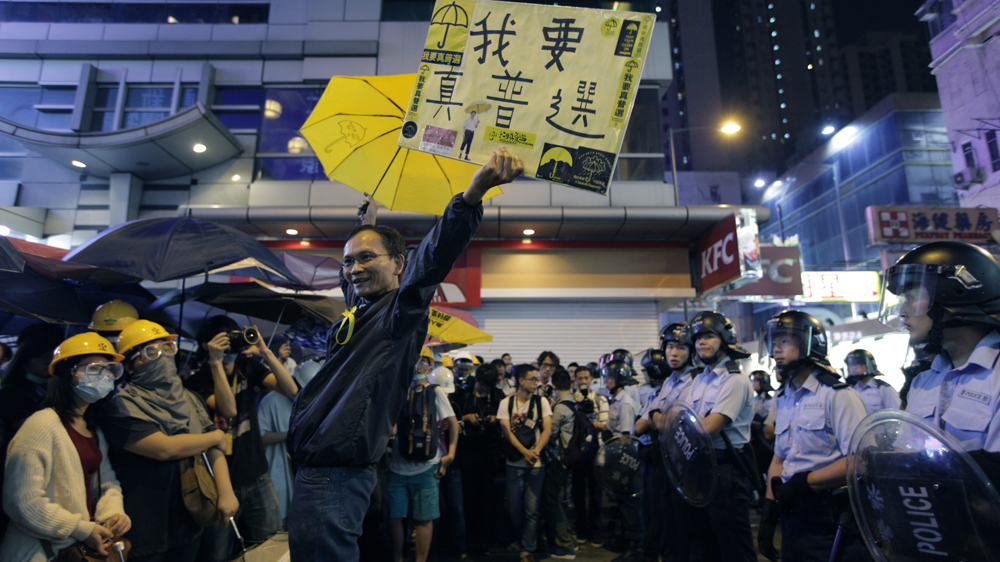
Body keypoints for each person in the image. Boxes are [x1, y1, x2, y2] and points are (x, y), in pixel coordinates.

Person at [287, 148, 523, 562]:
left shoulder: (400, 312)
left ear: (399, 264)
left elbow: (431, 260)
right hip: (319, 468)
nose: (353, 269)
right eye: (346, 262)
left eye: (365, 258)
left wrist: (473, 194)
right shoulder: (363, 310)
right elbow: (355, 285)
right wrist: (367, 223)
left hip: (334, 472)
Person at [98, 320, 238, 562]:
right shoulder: (121, 404)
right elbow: (164, 449)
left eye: (168, 349)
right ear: (130, 366)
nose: (162, 357)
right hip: (144, 524)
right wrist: (215, 435)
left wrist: (226, 493)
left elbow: (215, 451)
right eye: (151, 352)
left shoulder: (189, 398)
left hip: (188, 517)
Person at [1, 333, 130, 562]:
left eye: (110, 369)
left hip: (78, 548)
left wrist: (114, 514)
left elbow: (107, 482)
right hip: (40, 551)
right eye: (94, 369)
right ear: (68, 375)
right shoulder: (41, 426)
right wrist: (80, 528)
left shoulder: (93, 429)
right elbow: (21, 501)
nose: (105, 376)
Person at [879, 241, 1000, 481]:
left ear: (954, 293)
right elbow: (907, 459)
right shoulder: (924, 380)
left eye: (911, 297)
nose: (903, 311)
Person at [758, 310, 868, 562]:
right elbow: (779, 459)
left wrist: (806, 482)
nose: (776, 348)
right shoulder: (785, 397)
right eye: (774, 341)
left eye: (785, 340)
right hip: (792, 516)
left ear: (810, 343)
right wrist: (768, 512)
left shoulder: (837, 394)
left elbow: (860, 460)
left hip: (829, 520)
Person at [190, 316, 297, 561]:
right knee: (218, 554)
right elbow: (228, 410)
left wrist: (265, 352)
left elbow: (290, 390)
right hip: (220, 484)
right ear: (207, 345)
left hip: (257, 474)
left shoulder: (246, 367)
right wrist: (216, 363)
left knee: (270, 545)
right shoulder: (197, 382)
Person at [683, 310, 757, 562]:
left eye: (709, 336)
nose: (701, 342)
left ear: (725, 339)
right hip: (701, 466)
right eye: (697, 338)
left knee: (733, 546)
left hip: (727, 467)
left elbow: (710, 426)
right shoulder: (700, 379)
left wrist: (680, 427)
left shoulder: (734, 380)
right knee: (706, 544)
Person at [388, 351, 458, 562]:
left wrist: (451, 454)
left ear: (429, 367)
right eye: (414, 360)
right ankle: (397, 558)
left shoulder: (436, 392)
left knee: (423, 519)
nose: (417, 365)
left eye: (423, 361)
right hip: (398, 467)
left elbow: (453, 423)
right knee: (395, 518)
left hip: (427, 466)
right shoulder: (397, 391)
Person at [637, 323, 697, 562]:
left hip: (684, 466)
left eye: (681, 347)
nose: (673, 353)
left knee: (682, 531)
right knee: (662, 523)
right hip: (663, 463)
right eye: (670, 347)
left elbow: (664, 423)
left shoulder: (696, 381)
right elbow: (642, 423)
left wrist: (654, 415)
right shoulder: (669, 382)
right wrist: (656, 416)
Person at [498, 364, 553, 562]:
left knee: (532, 509)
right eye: (532, 379)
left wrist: (536, 451)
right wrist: (524, 452)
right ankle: (521, 540)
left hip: (536, 464)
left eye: (536, 379)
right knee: (513, 506)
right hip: (514, 462)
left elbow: (547, 428)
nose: (536, 382)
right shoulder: (506, 403)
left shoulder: (542, 402)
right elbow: (505, 430)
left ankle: (527, 548)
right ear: (521, 380)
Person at [258, 360, 322, 526]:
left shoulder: (307, 404)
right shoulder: (271, 400)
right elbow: (260, 435)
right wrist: (289, 435)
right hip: (277, 469)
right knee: (280, 519)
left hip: (301, 473)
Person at [459, 362, 505, 555]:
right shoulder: (463, 395)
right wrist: (465, 417)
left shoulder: (498, 398)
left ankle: (483, 540)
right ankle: (469, 539)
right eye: (480, 383)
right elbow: (452, 420)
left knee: (487, 498)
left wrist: (496, 419)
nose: (483, 387)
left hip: (490, 454)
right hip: (468, 452)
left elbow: (506, 422)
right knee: (468, 498)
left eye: (487, 384)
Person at [602, 360, 641, 561]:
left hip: (623, 457)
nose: (606, 380)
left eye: (610, 377)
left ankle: (634, 546)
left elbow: (626, 436)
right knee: (619, 500)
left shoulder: (625, 402)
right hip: (614, 454)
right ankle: (623, 539)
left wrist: (620, 462)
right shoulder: (615, 398)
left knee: (628, 503)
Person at [541, 369, 578, 559]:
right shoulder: (575, 403)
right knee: (560, 502)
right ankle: (570, 540)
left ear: (553, 386)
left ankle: (565, 547)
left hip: (558, 461)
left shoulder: (560, 408)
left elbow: (550, 434)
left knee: (553, 502)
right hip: (571, 460)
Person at [569, 364, 607, 546]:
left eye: (586, 378)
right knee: (577, 490)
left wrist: (586, 419)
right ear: (575, 380)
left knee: (595, 491)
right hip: (577, 450)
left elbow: (605, 425)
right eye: (580, 378)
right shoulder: (570, 401)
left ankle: (596, 529)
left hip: (596, 449)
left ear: (592, 380)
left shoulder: (600, 400)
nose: (583, 382)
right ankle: (581, 527)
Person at [843, 349, 900, 414]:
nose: (853, 368)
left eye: (858, 364)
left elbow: (897, 415)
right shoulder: (852, 390)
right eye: (851, 365)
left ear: (868, 365)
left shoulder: (883, 389)